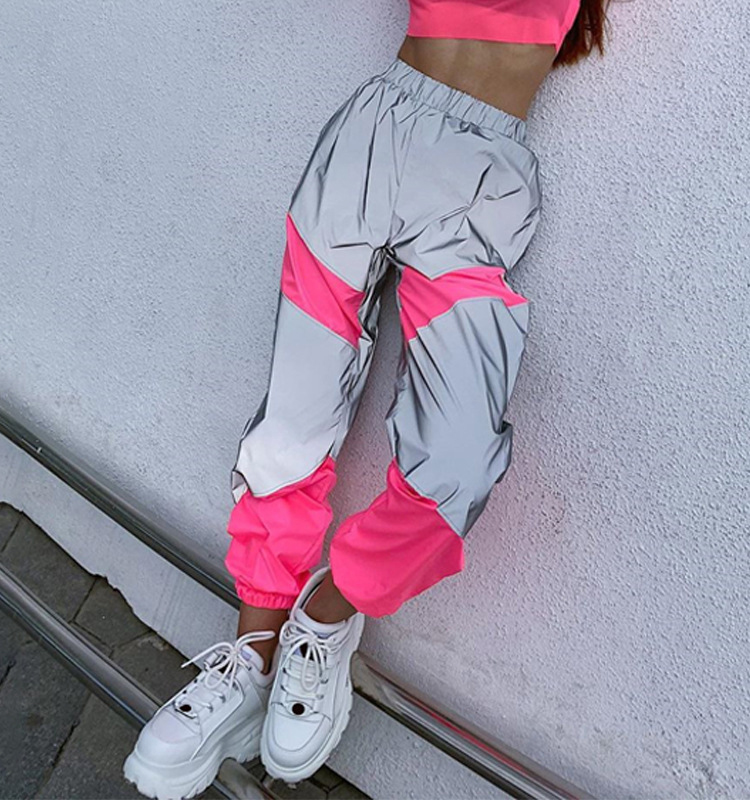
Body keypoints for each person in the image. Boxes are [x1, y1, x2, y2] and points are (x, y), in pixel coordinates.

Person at [124, 1, 612, 797]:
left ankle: (324, 613)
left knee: (456, 466)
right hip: (371, 138)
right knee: (293, 420)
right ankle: (249, 660)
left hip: (480, 184)